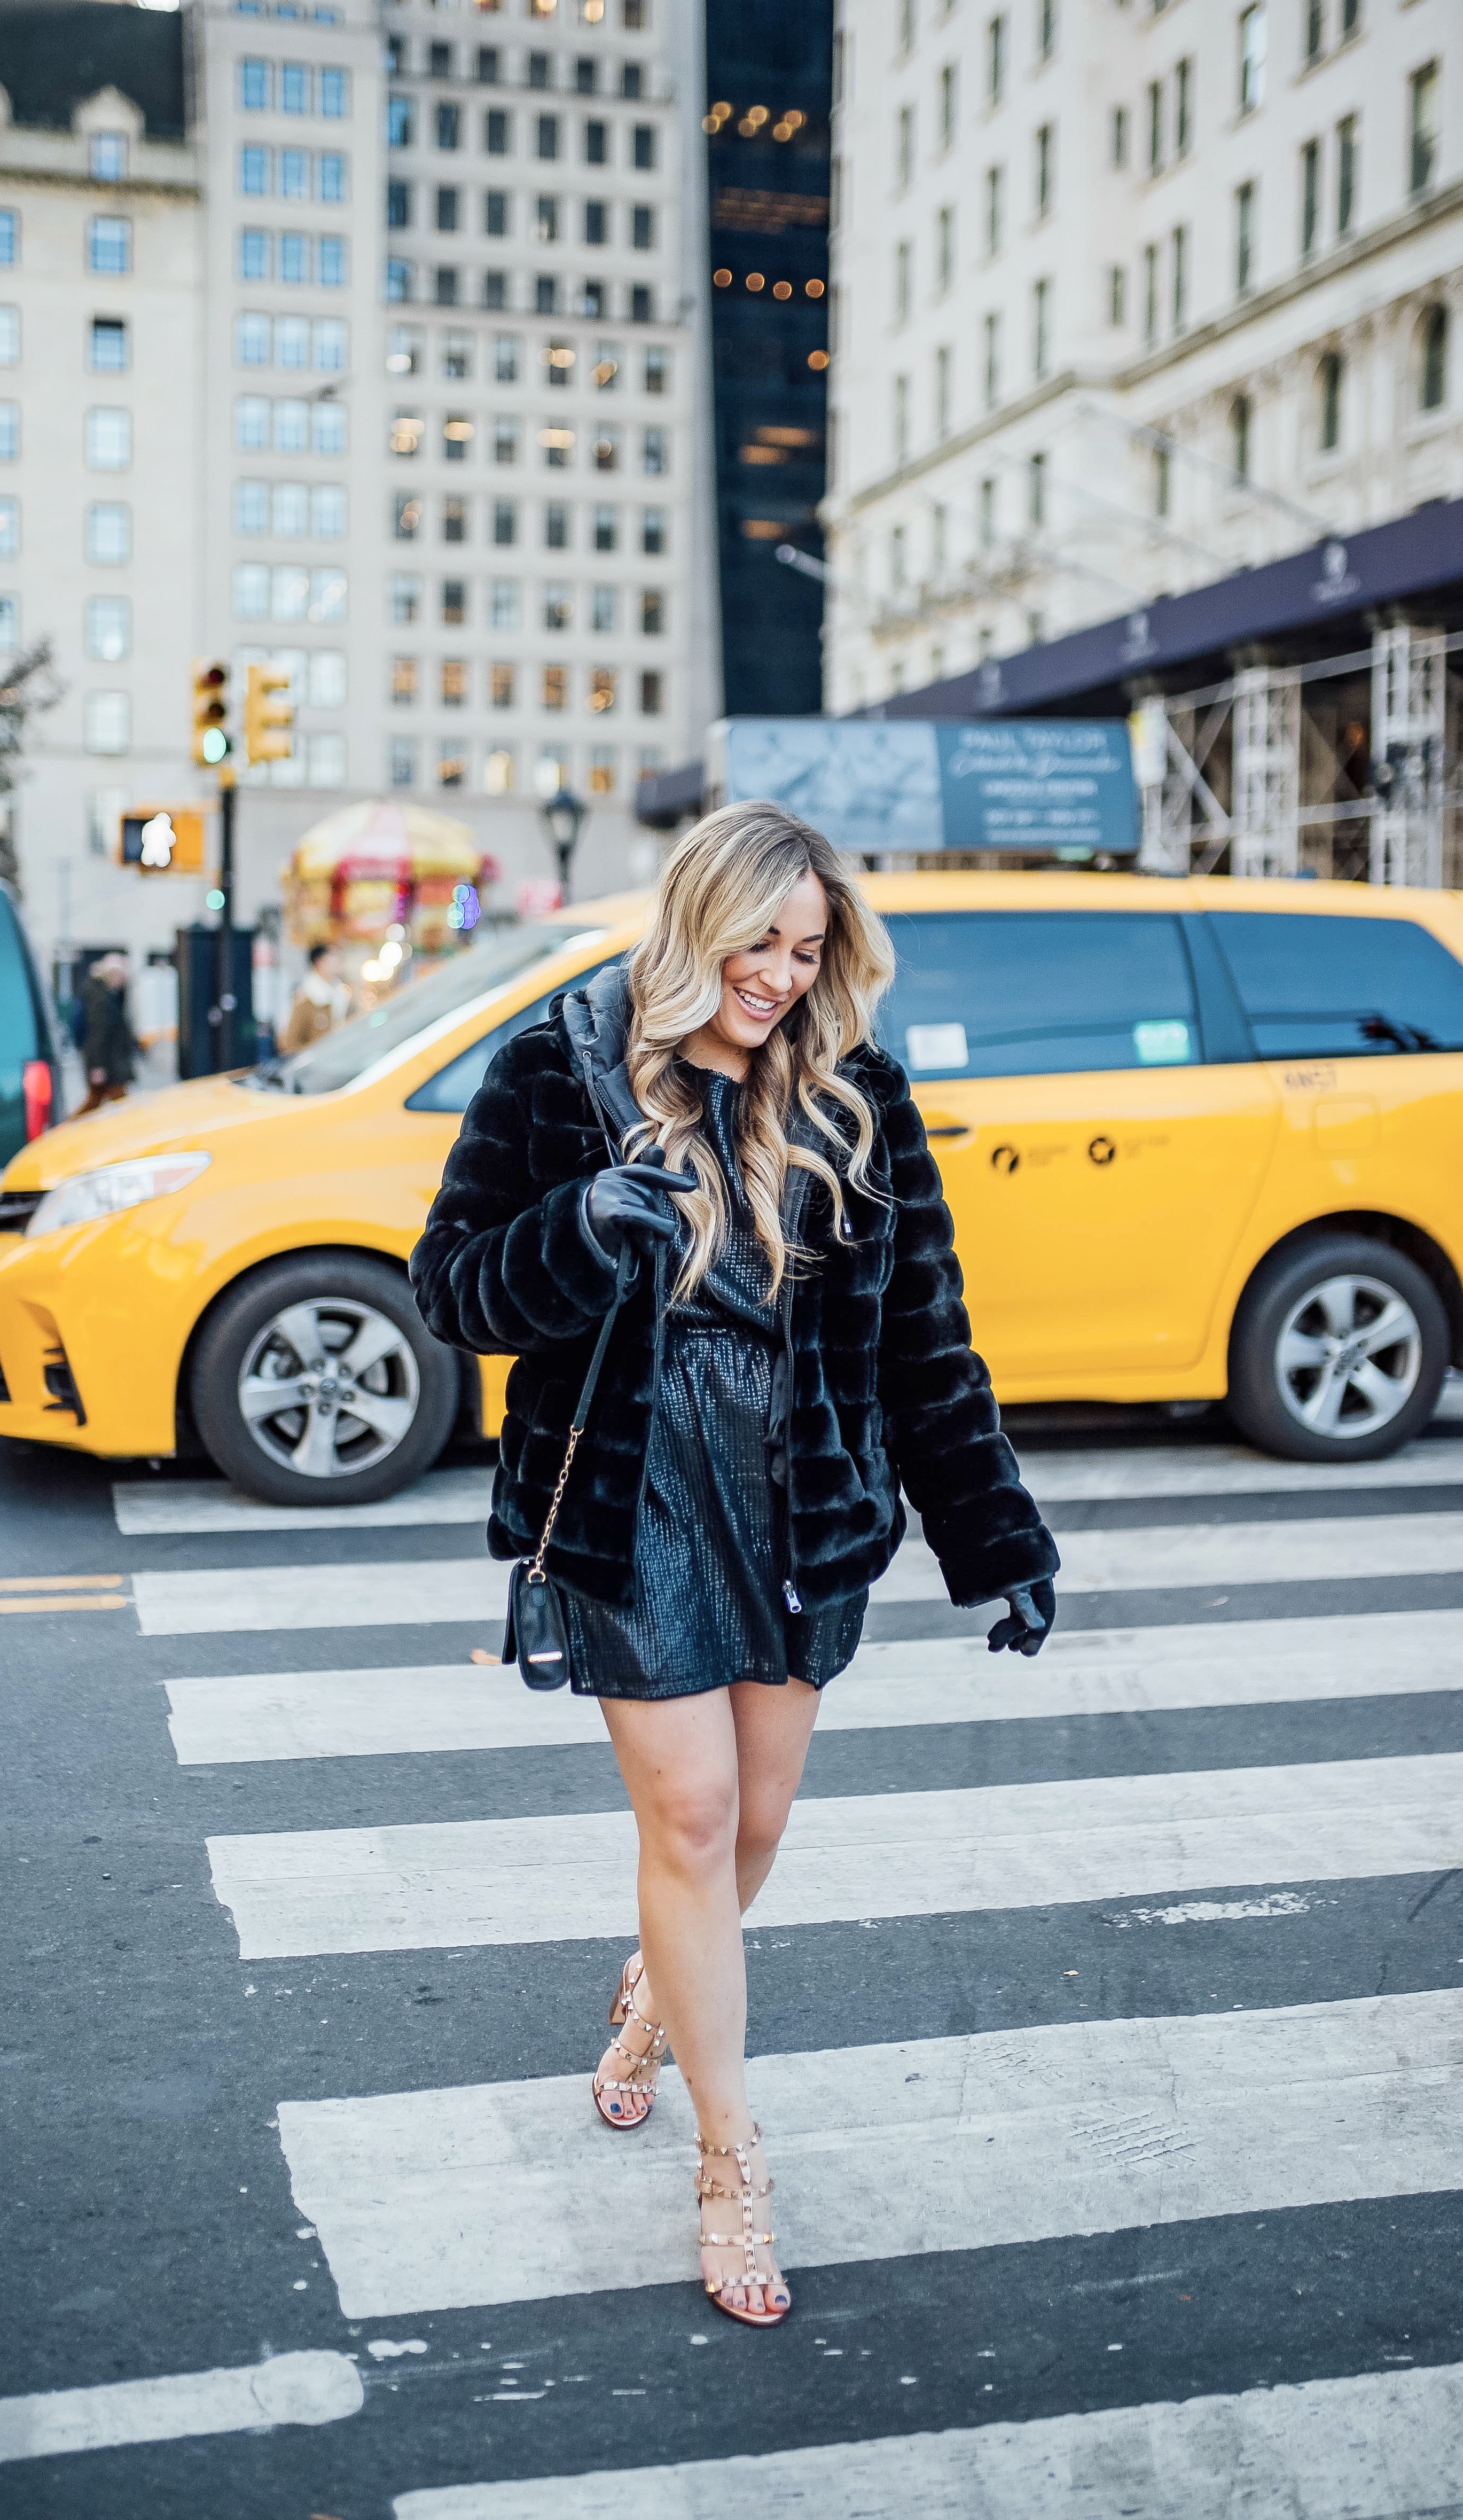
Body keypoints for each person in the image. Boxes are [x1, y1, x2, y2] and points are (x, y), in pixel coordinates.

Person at [412, 801, 1059, 2329]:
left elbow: (926, 1341)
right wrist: (578, 1224)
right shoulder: (559, 1071)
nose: (778, 977)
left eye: (807, 950)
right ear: (696, 921)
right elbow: (452, 1290)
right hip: (632, 1490)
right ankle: (732, 2157)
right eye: (758, 943)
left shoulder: (859, 1098)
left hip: (803, 1496)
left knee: (754, 1822)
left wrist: (996, 1534)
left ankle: (653, 2002)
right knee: (693, 1818)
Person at [71, 952, 139, 1115]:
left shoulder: (108, 994)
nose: (123, 980)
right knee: (118, 1105)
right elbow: (97, 1033)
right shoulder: (100, 997)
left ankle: (69, 1129)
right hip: (109, 1064)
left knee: (96, 1101)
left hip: (111, 1063)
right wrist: (97, 1067)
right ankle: (68, 1130)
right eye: (121, 975)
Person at [278, 943, 351, 1056]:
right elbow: (291, 1042)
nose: (337, 960)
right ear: (319, 962)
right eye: (332, 956)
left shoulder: (342, 992)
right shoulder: (307, 997)